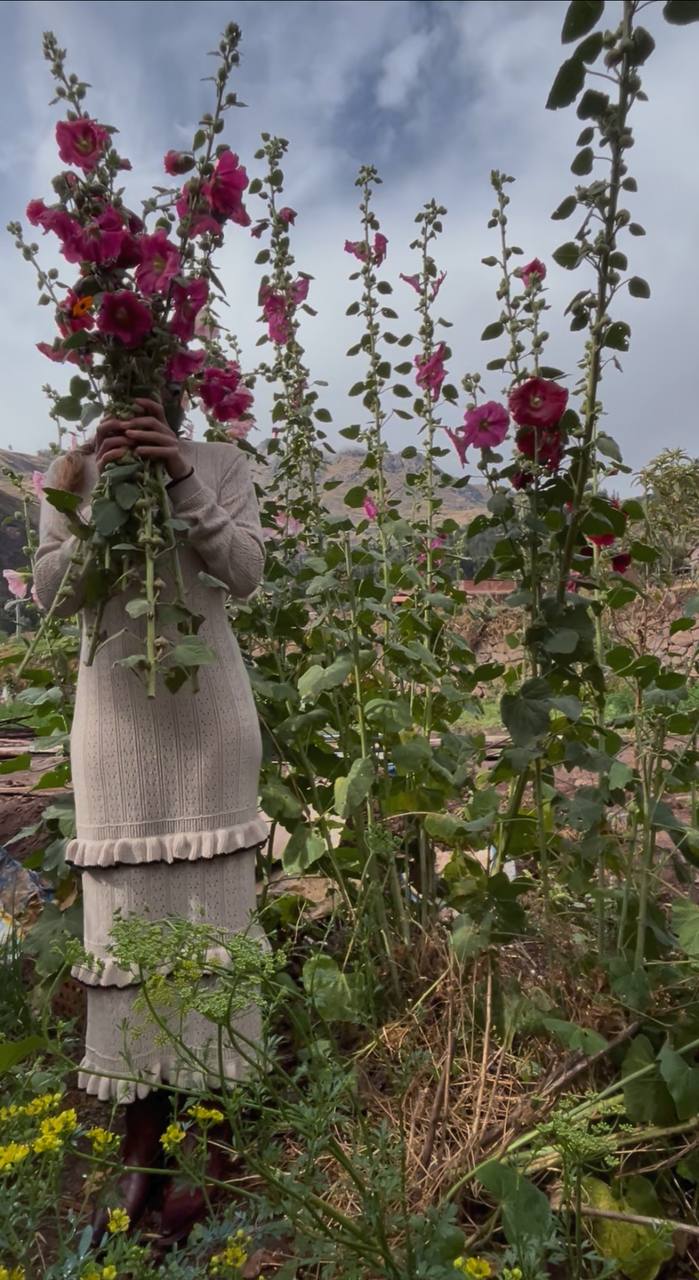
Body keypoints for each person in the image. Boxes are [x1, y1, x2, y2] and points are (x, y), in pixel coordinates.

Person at [34, 398, 268, 1243]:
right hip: (117, 739)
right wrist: (92, 496)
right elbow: (54, 597)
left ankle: (220, 1146)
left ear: (183, 374)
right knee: (124, 945)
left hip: (210, 729)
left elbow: (244, 573)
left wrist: (179, 476)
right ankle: (142, 1154)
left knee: (216, 944)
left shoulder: (222, 461)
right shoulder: (72, 470)